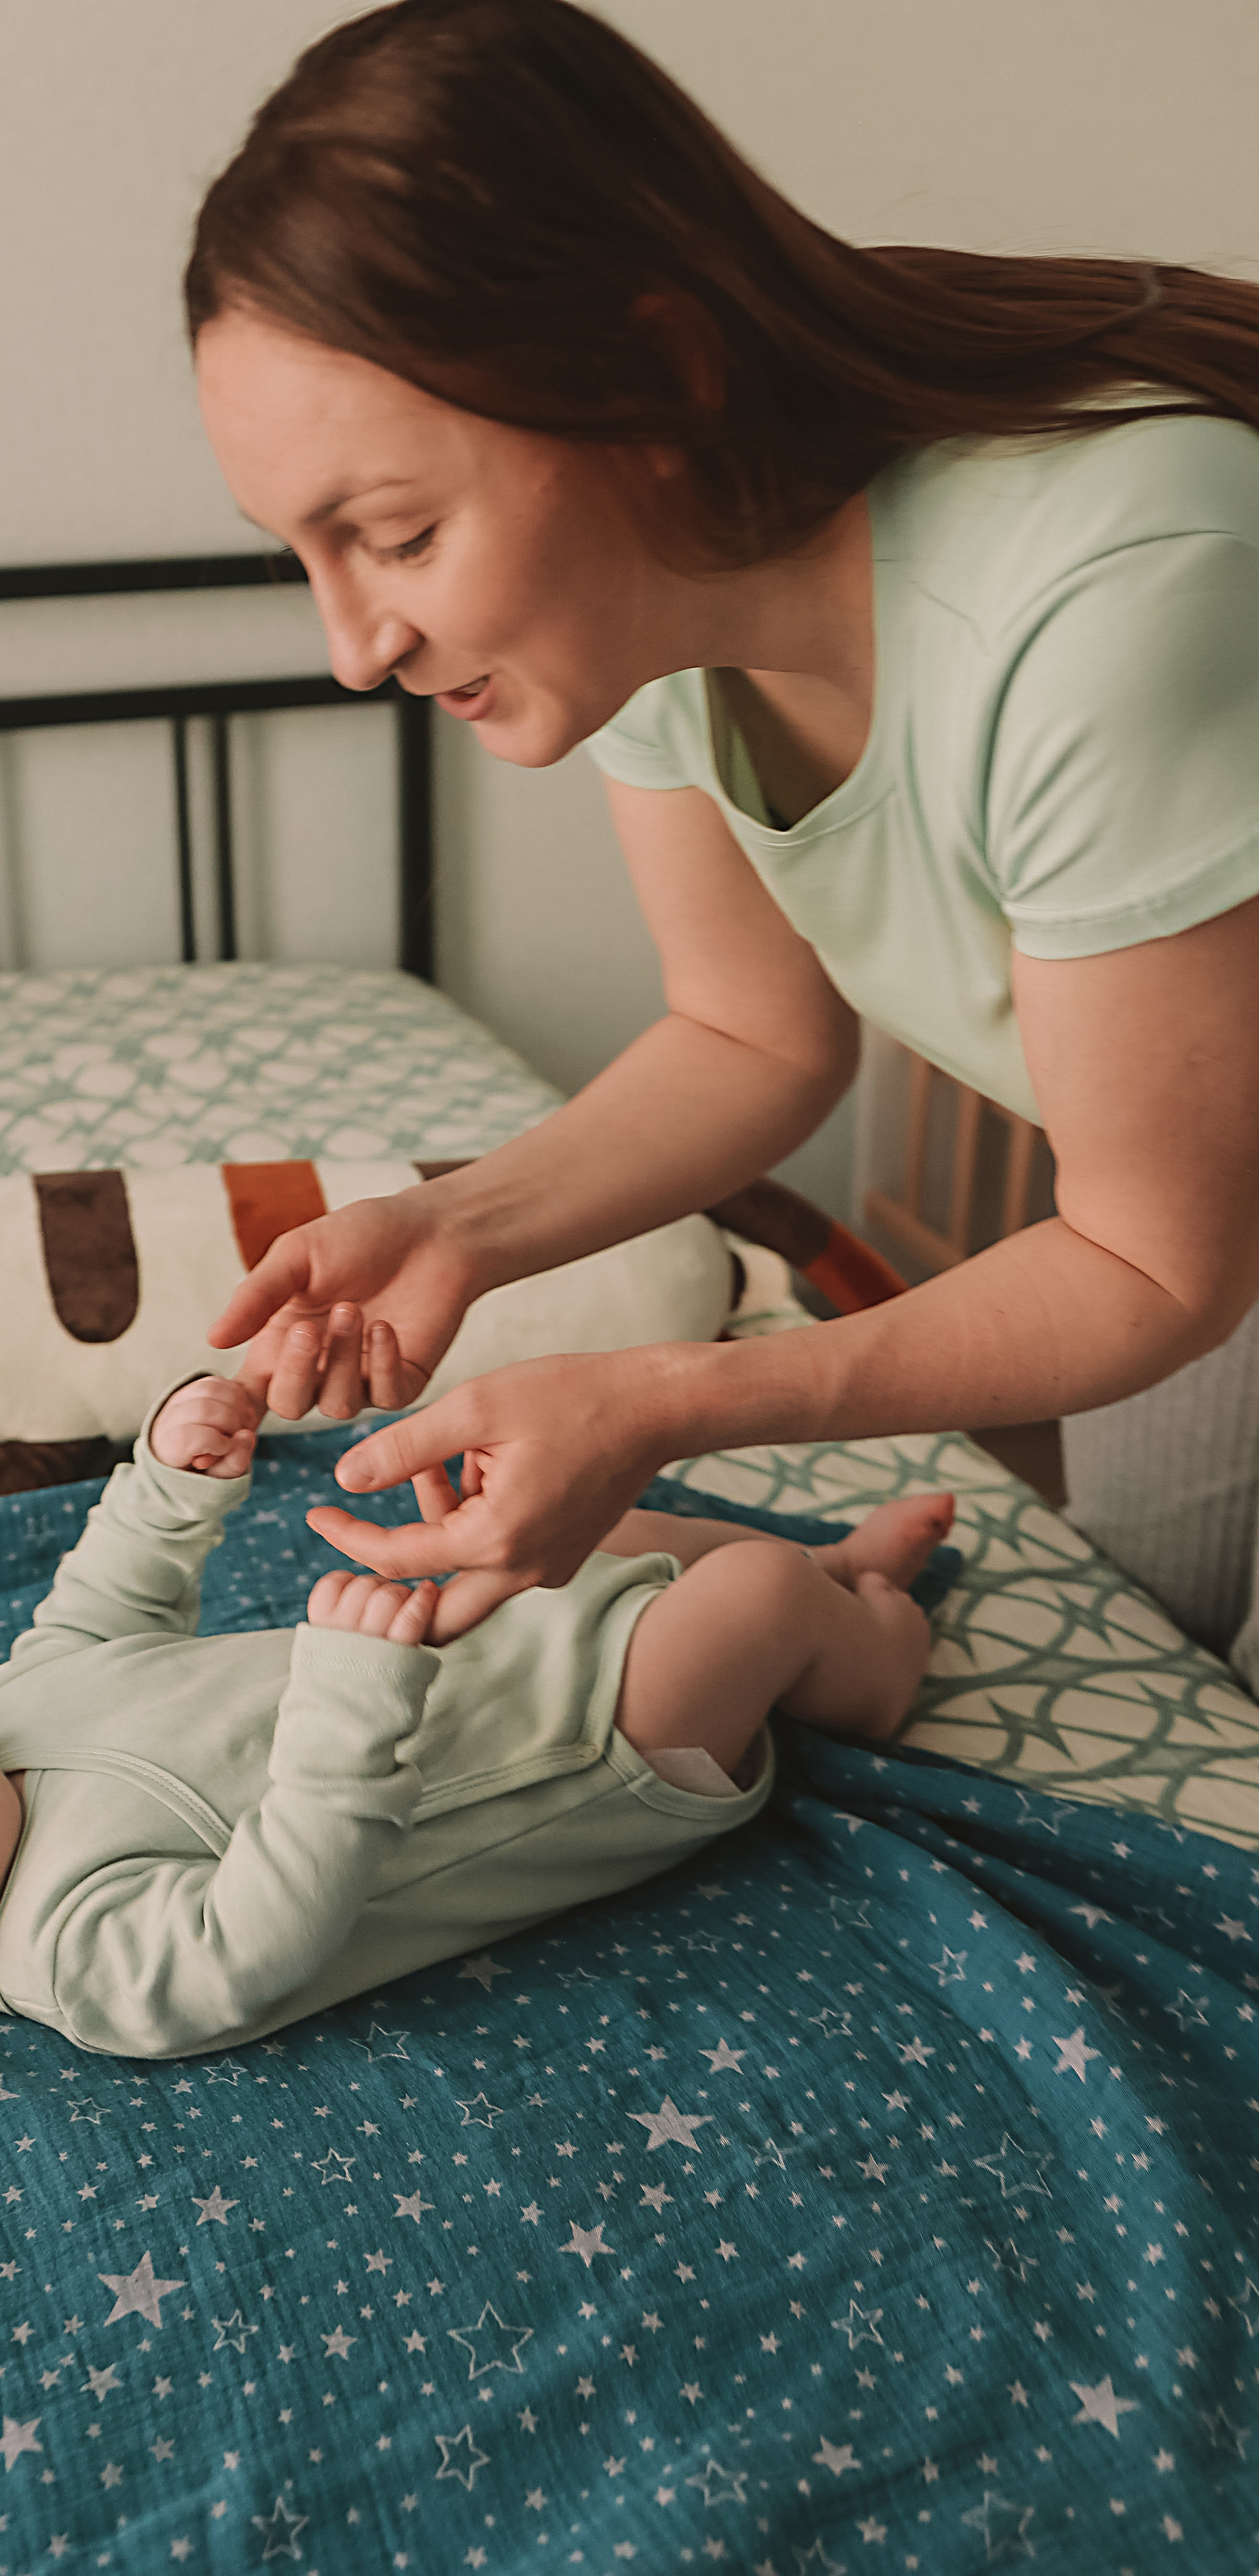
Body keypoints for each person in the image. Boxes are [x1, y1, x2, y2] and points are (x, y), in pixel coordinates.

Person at [184, 0, 1259, 1674]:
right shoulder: (654, 612)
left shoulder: (1104, 591)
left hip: (1173, 1218)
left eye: (394, 534)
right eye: (301, 557)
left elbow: (1150, 1255)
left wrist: (674, 1400)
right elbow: (747, 1034)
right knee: (1161, 1662)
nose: (350, 644)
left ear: (653, 379)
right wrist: (457, 1226)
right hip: (1190, 1180)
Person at [0, 1376, 952, 2057]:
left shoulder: (6, 1711)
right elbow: (261, 1935)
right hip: (588, 1751)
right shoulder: (67, 1955)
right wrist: (350, 1704)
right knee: (749, 1600)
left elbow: (110, 1600)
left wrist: (168, 1479)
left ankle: (839, 1570)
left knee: (605, 1529)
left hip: (482, 1638)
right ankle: (865, 1647)